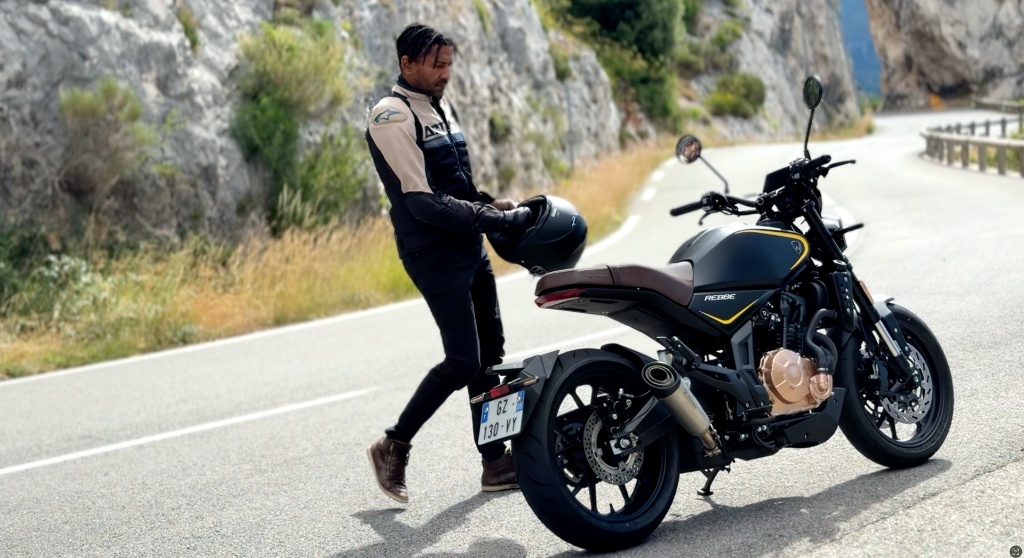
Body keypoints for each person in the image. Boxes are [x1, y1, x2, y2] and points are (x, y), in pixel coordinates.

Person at [363, 23, 532, 504]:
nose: (445, 73)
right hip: (432, 252)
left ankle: (496, 463)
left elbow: (456, 188)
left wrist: (495, 206)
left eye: (449, 64)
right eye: (436, 65)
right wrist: (490, 219)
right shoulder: (390, 115)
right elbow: (422, 201)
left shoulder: (439, 107)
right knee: (463, 359)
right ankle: (392, 444)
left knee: (490, 355)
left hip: (467, 245)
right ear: (407, 65)